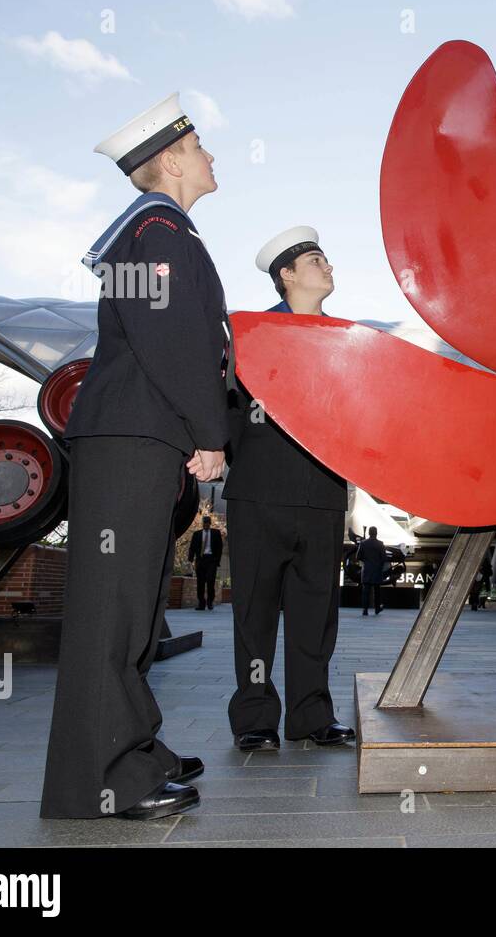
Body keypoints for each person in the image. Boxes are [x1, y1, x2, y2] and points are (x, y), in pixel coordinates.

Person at [41, 93, 228, 820]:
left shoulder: (158, 232)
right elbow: (174, 342)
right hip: (133, 435)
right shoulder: (158, 232)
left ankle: (132, 751)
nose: (212, 156)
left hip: (138, 437)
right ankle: (100, 778)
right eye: (202, 146)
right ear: (174, 159)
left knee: (134, 609)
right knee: (111, 612)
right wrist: (210, 433)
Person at [224, 226, 353, 751]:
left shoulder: (346, 336)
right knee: (254, 613)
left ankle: (310, 716)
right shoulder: (253, 333)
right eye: (318, 260)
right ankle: (255, 719)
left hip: (322, 495)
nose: (329, 268)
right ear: (288, 274)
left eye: (327, 260)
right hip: (259, 493)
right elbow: (227, 409)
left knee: (315, 613)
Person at [187, 514, 224, 609]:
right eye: (204, 523)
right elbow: (192, 548)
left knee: (211, 581)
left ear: (210, 524)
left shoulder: (216, 533)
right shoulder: (197, 534)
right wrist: (190, 560)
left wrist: (217, 561)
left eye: (207, 523)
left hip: (211, 560)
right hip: (200, 560)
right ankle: (201, 603)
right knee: (200, 582)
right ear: (202, 524)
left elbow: (220, 548)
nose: (206, 525)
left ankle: (210, 601)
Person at [356, 527, 387, 616]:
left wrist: (366, 560)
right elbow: (384, 558)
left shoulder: (363, 543)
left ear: (369, 533)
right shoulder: (380, 544)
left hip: (366, 570)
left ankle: (365, 610)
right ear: (376, 533)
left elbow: (358, 556)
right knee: (377, 591)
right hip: (377, 570)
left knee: (366, 591)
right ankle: (377, 608)